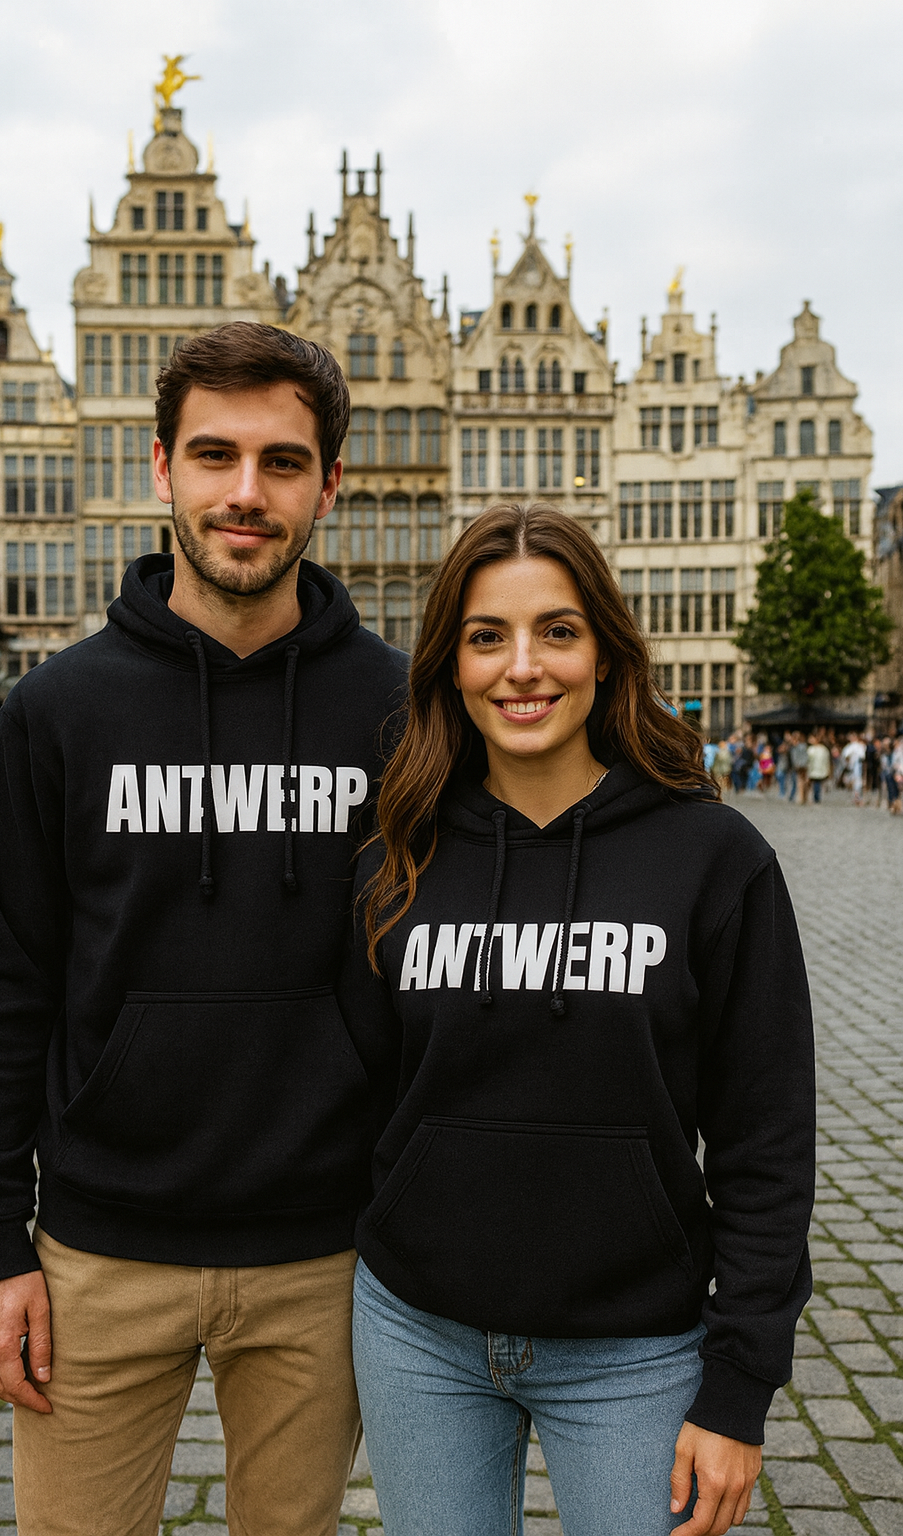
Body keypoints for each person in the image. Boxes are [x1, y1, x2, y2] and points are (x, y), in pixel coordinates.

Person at [0, 322, 409, 1536]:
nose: (245, 493)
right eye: (214, 455)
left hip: (326, 1258)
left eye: (281, 462)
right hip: (97, 1255)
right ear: (161, 467)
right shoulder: (56, 710)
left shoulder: (402, 711)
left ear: (329, 484)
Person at [341, 504, 814, 1536]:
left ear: (605, 651)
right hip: (418, 1336)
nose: (523, 668)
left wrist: (740, 1383)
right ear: (449, 664)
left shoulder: (713, 857)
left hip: (635, 1349)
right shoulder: (393, 861)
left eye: (556, 631)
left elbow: (767, 1138)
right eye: (487, 636)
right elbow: (363, 1096)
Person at [841, 733, 866, 807]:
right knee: (852, 782)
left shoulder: (859, 746)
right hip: (851, 767)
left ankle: (858, 798)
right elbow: (845, 756)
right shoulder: (849, 747)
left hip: (858, 766)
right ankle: (855, 797)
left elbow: (862, 756)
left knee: (858, 783)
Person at [807, 734, 831, 804]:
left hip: (817, 769)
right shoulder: (822, 749)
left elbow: (826, 760)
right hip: (816, 769)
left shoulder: (816, 749)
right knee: (816, 783)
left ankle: (816, 797)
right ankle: (816, 797)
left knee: (816, 783)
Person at [789, 731, 810, 804]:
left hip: (800, 766)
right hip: (803, 765)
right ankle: (803, 797)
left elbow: (796, 758)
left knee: (800, 781)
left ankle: (801, 798)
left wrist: (798, 764)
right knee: (803, 781)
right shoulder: (804, 746)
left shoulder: (797, 747)